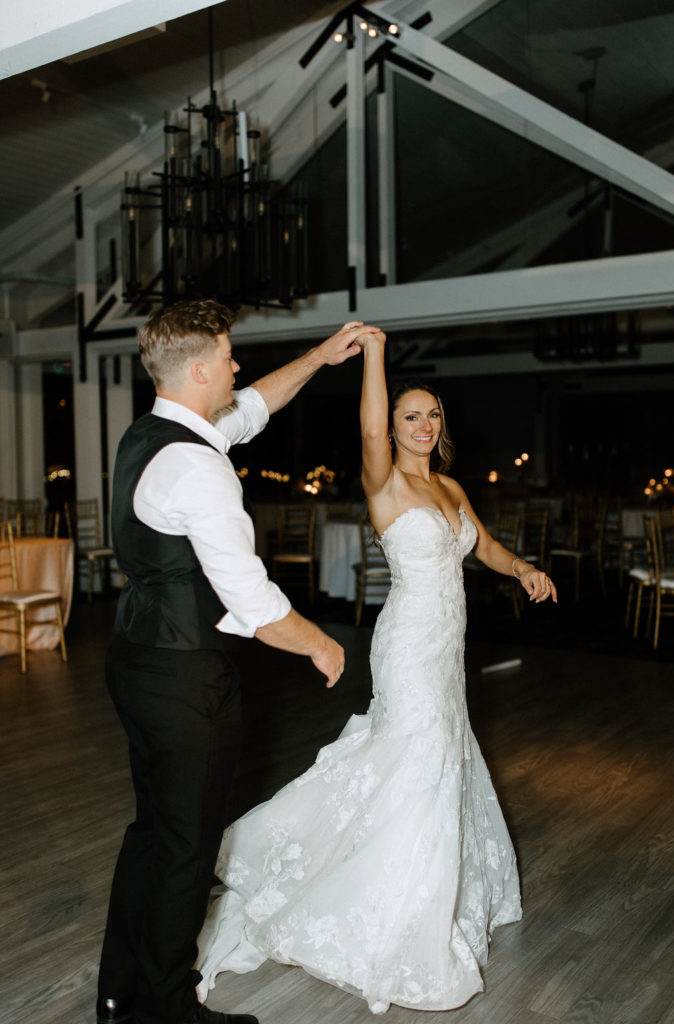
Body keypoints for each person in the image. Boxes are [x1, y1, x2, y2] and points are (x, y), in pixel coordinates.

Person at [194, 331, 557, 1013]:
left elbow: (486, 549)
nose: (423, 425)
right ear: (392, 428)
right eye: (409, 416)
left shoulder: (449, 487)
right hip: (407, 645)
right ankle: (394, 911)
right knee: (417, 756)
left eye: (432, 415)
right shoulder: (384, 481)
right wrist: (375, 356)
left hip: (447, 649)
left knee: (439, 754)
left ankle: (425, 888)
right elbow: (366, 422)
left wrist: (524, 569)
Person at [97, 300, 383, 1024]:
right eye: (226, 356)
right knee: (188, 846)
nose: (235, 366)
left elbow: (253, 407)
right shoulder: (197, 467)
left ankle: (120, 995)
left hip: (137, 657)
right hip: (185, 676)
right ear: (198, 369)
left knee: (152, 833)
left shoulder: (154, 435)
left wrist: (322, 357)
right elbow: (252, 601)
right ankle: (164, 1009)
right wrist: (321, 641)